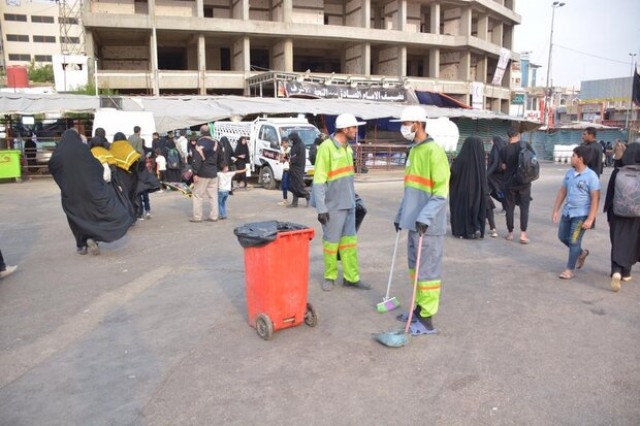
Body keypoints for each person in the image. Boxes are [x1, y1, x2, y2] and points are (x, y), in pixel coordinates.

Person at [392, 106, 450, 335]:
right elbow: (410, 191)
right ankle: (418, 309)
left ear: (418, 123)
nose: (404, 127)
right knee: (415, 270)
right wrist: (400, 216)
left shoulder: (434, 152)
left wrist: (425, 217)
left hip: (428, 225)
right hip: (413, 223)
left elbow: (441, 191)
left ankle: (427, 319)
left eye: (406, 123)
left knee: (428, 273)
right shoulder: (414, 150)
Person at [48, 129, 135, 255]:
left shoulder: (58, 154)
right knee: (91, 215)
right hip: (90, 190)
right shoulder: (83, 150)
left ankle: (81, 245)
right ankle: (93, 238)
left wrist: (64, 183)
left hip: (70, 193)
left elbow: (53, 167)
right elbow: (96, 167)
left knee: (76, 218)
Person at [312, 113, 370, 291]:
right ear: (345, 129)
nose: (356, 130)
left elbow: (347, 179)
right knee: (331, 243)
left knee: (349, 243)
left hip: (349, 203)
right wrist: (321, 208)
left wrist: (355, 200)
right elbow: (319, 180)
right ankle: (330, 276)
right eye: (353, 128)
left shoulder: (348, 148)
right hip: (333, 206)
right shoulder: (326, 148)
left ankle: (351, 277)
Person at [552, 145, 600, 280]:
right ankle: (581, 253)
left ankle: (569, 269)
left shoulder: (591, 176)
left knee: (574, 240)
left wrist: (590, 218)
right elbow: (562, 191)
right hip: (568, 212)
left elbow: (595, 198)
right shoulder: (569, 174)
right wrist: (556, 210)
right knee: (562, 236)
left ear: (580, 159)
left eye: (573, 156)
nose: (571, 158)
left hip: (581, 215)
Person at [603, 142, 640, 292]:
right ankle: (627, 273)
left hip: (617, 214)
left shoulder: (618, 171)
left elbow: (610, 194)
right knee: (632, 241)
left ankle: (616, 271)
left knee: (617, 241)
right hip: (637, 215)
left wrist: (608, 213)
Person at [449, 136, 488, 239]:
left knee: (461, 209)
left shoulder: (459, 160)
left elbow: (452, 175)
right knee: (476, 207)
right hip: (477, 192)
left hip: (461, 192)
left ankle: (461, 231)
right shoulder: (481, 162)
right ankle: (476, 228)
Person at [500, 128, 532, 244]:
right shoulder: (525, 145)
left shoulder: (504, 149)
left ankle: (510, 233)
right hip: (524, 182)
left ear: (508, 136)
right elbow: (532, 161)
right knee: (524, 208)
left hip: (509, 182)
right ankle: (523, 234)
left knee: (509, 208)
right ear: (518, 135)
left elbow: (503, 167)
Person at [191, 125, 226, 223]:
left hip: (202, 173)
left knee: (198, 195)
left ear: (201, 132)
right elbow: (221, 157)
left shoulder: (199, 143)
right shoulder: (216, 143)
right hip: (213, 173)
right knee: (213, 196)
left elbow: (197, 159)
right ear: (209, 131)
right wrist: (223, 166)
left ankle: (197, 217)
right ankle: (214, 216)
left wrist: (195, 173)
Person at [111, 132, 145, 220]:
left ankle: (123, 216)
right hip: (130, 176)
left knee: (120, 197)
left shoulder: (111, 148)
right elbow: (138, 159)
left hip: (117, 177)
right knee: (132, 196)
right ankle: (134, 215)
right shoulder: (128, 147)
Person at [287, 132, 310, 208]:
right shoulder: (295, 145)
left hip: (298, 168)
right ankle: (294, 202)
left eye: (292, 139)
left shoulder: (300, 145)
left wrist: (291, 159)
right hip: (293, 168)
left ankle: (307, 195)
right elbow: (291, 155)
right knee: (293, 185)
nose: (291, 140)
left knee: (298, 186)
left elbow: (297, 157)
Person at [487, 136, 507, 213]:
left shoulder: (495, 149)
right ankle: (505, 205)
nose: (491, 142)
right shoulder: (503, 148)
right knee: (494, 191)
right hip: (497, 176)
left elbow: (495, 163)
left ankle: (506, 206)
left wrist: (487, 173)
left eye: (492, 140)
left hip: (495, 177)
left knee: (499, 192)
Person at [278, 137, 291, 206]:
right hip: (284, 169)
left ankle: (302, 194)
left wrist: (284, 157)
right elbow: (280, 159)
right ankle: (285, 200)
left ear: (286, 142)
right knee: (283, 185)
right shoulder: (282, 149)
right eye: (282, 143)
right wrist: (283, 157)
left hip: (289, 169)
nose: (282, 145)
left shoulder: (290, 149)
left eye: (283, 143)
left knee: (286, 185)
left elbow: (287, 159)